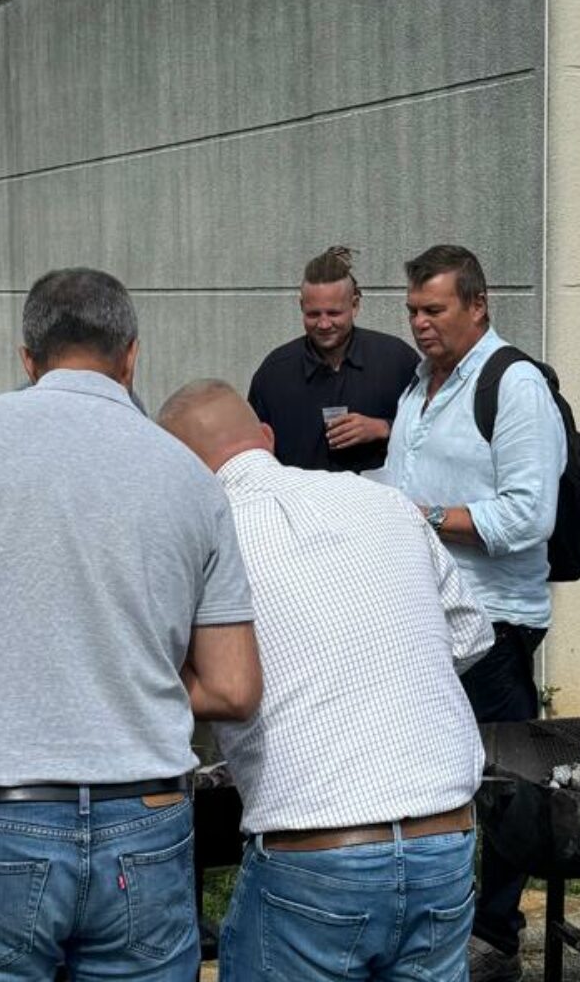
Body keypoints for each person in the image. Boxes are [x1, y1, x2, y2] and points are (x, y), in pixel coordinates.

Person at [0, 267, 263, 979]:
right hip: (148, 821)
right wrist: (118, 676)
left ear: (27, 357)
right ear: (131, 355)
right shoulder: (193, 478)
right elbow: (233, 686)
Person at [158, 379, 493, 980]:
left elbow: (170, 672)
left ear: (181, 472)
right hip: (445, 832)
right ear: (266, 437)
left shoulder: (203, 535)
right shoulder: (384, 499)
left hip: (315, 849)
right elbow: (471, 633)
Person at [381, 245, 565, 981]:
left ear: (478, 305)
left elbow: (529, 514)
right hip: (423, 611)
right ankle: (438, 920)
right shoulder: (420, 386)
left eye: (435, 310)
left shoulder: (513, 384)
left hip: (492, 618)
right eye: (414, 312)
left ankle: (496, 934)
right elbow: (401, 480)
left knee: (503, 782)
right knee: (435, 774)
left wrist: (415, 516)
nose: (421, 324)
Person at [247, 246, 420, 473]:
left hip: (375, 505)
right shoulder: (274, 373)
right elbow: (252, 451)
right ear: (301, 307)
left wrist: (384, 428)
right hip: (301, 505)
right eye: (313, 314)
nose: (324, 324)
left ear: (355, 305)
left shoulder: (397, 360)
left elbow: (431, 435)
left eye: (334, 313)